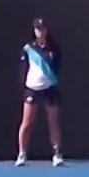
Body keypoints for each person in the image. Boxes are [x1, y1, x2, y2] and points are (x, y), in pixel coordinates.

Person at [15, 18, 64, 167]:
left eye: (42, 28)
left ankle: (56, 154)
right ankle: (22, 154)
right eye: (37, 29)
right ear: (34, 31)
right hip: (32, 89)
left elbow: (57, 67)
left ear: (46, 30)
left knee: (53, 123)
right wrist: (26, 84)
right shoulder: (28, 48)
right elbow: (23, 68)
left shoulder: (54, 49)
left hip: (50, 90)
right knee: (27, 123)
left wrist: (50, 80)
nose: (40, 31)